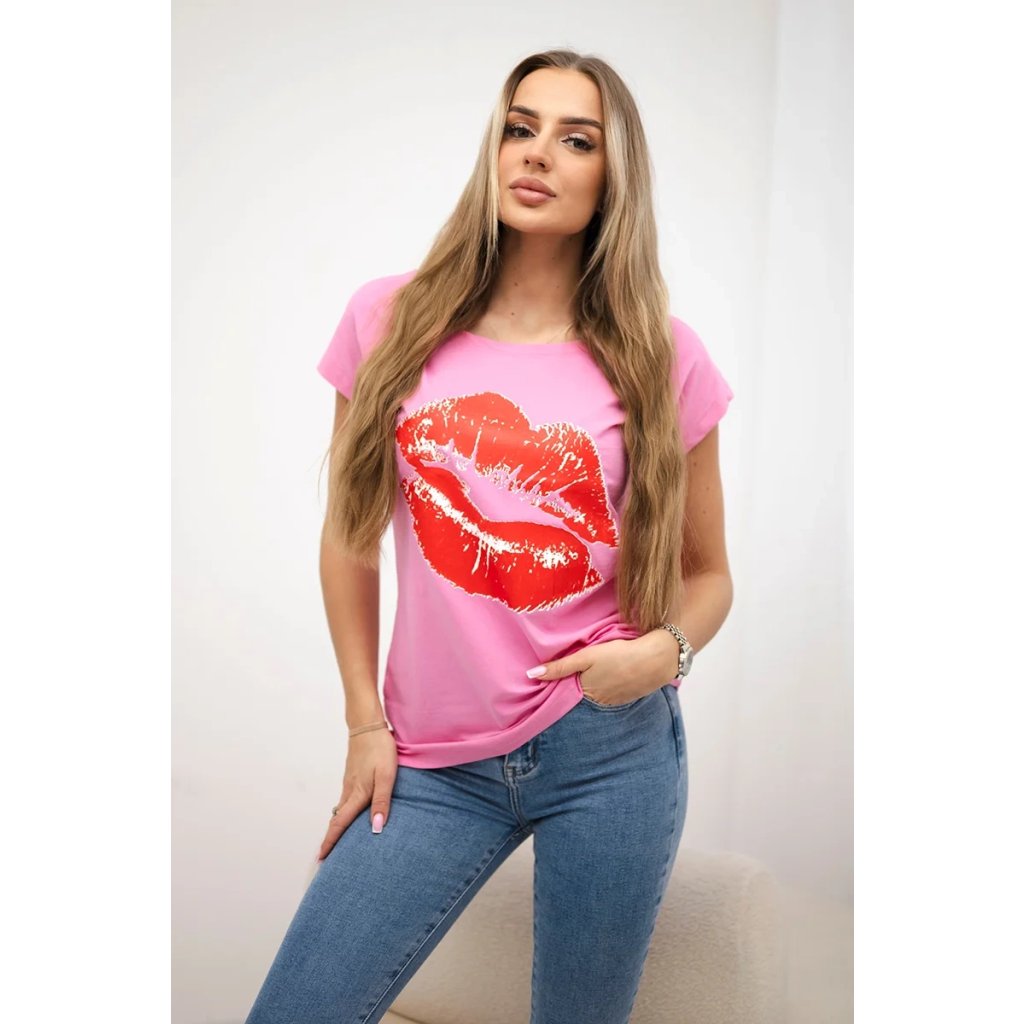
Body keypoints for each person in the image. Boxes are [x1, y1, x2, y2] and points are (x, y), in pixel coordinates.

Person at [244, 47, 734, 1024]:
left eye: (576, 140)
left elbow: (708, 574)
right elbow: (350, 536)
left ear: (613, 179)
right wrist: (364, 723)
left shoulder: (661, 356)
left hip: (608, 752)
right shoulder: (389, 318)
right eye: (520, 127)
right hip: (431, 762)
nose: (537, 153)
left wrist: (660, 655)